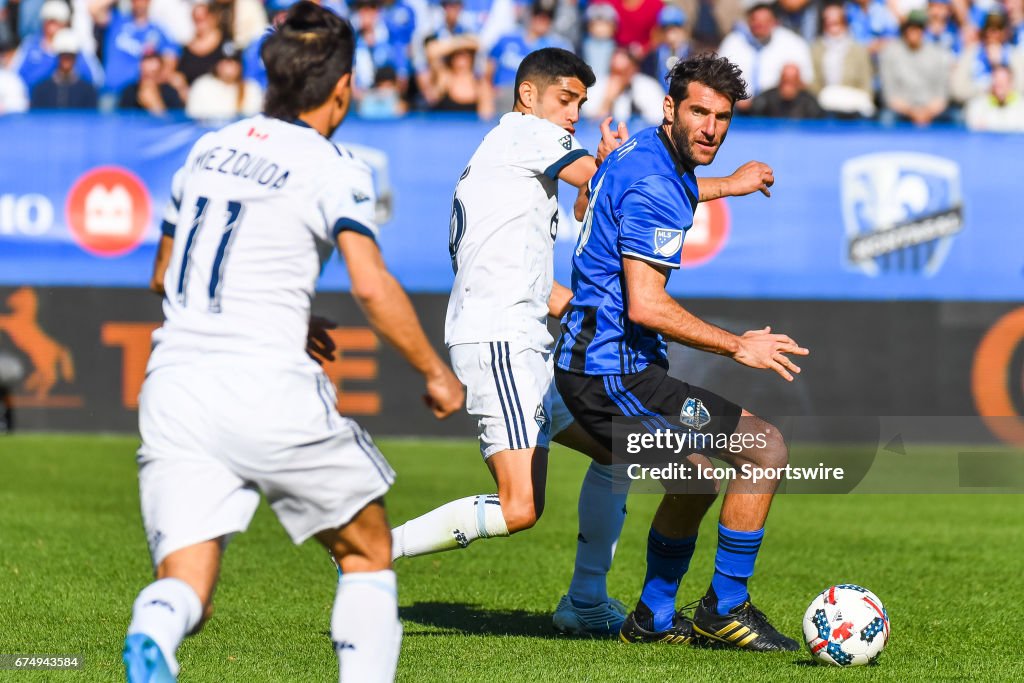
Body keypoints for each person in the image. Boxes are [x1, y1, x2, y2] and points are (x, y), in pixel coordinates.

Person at [121, 4, 464, 682]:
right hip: (264, 384)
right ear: (342, 88)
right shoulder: (333, 166)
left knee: (187, 580)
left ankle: (152, 634)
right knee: (367, 552)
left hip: (174, 387)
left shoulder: (207, 148)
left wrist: (274, 306)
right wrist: (435, 371)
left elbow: (165, 275)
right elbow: (370, 284)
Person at [389, 46, 775, 638]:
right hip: (506, 343)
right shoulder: (525, 135)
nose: (574, 113)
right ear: (528, 97)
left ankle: (591, 602)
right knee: (521, 507)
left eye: (580, 102)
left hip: (536, 341)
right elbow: (624, 185)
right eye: (566, 100)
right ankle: (375, 548)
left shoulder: (515, 166)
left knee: (627, 458)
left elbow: (608, 203)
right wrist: (718, 186)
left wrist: (700, 181)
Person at [554, 53, 808, 650]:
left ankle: (651, 619)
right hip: (612, 375)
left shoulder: (647, 149)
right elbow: (646, 305)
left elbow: (658, 190)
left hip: (611, 367)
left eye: (722, 117)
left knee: (694, 479)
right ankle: (725, 608)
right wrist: (736, 345)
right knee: (763, 446)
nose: (711, 128)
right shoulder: (656, 183)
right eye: (699, 111)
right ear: (671, 107)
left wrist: (728, 186)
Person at [30, 28, 98, 108]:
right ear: (57, 56)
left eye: (70, 56)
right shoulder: (41, 90)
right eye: (63, 55)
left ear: (76, 57)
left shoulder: (87, 91)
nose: (66, 60)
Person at [965, 63, 1024, 131]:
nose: (999, 84)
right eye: (996, 80)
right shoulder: (978, 106)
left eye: (1004, 80)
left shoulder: (1021, 106)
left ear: (1011, 83)